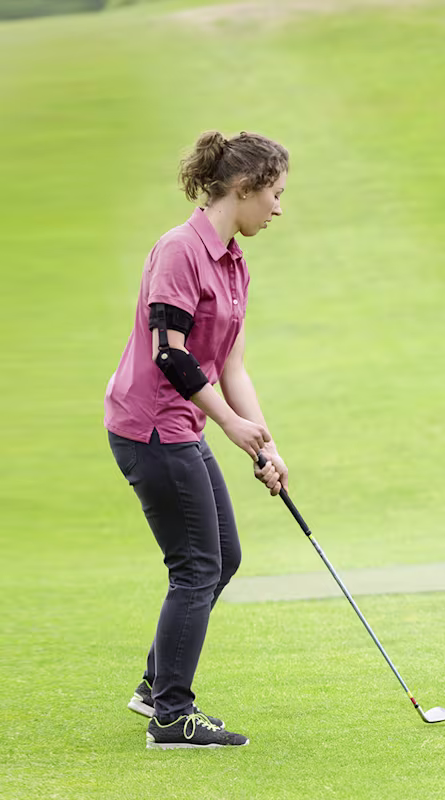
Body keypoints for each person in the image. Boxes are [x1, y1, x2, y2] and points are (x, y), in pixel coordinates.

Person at [105, 131, 290, 748]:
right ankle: (171, 715)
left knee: (223, 558)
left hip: (183, 424)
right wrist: (230, 426)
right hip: (151, 426)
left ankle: (155, 684)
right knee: (197, 566)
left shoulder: (234, 261)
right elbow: (170, 357)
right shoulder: (179, 251)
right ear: (242, 189)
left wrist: (263, 442)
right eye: (274, 194)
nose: (278, 209)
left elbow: (231, 364)